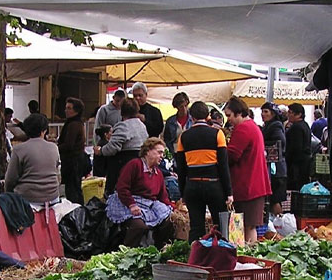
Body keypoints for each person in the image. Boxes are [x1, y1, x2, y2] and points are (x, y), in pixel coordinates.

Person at [176, 101, 233, 242]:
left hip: (192, 186)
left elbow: (181, 168)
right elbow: (223, 166)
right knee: (220, 225)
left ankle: (195, 258)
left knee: (196, 227)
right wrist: (229, 192)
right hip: (213, 185)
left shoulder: (183, 137)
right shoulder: (218, 134)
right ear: (208, 116)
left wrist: (182, 193)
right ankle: (220, 255)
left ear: (191, 117)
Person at [103, 137, 175, 248]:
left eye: (163, 154)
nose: (162, 156)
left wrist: (174, 208)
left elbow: (162, 197)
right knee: (139, 226)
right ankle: (126, 252)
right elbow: (122, 187)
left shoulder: (158, 173)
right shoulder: (134, 165)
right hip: (128, 202)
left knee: (168, 221)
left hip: (148, 205)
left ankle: (158, 249)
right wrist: (131, 204)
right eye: (159, 152)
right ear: (148, 151)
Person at [225, 97, 272, 244]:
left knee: (243, 226)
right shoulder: (253, 126)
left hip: (247, 186)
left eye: (229, 115)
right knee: (249, 226)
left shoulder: (243, 129)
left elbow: (232, 155)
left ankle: (245, 259)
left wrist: (219, 150)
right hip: (255, 185)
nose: (228, 120)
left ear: (238, 113)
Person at [6, 113, 61, 206]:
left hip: (27, 197)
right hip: (52, 197)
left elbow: (10, 179)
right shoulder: (53, 148)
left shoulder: (19, 149)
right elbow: (58, 174)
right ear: (44, 130)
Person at [97, 98, 147, 196]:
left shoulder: (123, 127)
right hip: (140, 165)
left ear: (122, 111)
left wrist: (101, 151)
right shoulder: (142, 126)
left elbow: (112, 148)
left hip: (123, 167)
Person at [57, 97, 88, 204]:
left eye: (69, 108)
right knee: (74, 188)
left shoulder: (74, 124)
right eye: (66, 108)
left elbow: (69, 144)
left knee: (73, 190)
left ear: (76, 110)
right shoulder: (74, 123)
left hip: (73, 161)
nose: (66, 110)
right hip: (74, 160)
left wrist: (55, 147)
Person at [260, 102, 288, 216]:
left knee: (275, 200)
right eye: (262, 111)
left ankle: (279, 223)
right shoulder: (269, 125)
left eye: (266, 111)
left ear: (273, 113)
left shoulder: (275, 125)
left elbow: (280, 142)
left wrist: (262, 145)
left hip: (276, 170)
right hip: (275, 169)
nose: (263, 114)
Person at [284, 103, 312, 190]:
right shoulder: (305, 125)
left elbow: (295, 148)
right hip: (304, 163)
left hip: (296, 166)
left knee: (295, 189)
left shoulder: (296, 127)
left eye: (290, 112)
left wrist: (287, 159)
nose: (288, 114)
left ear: (299, 114)